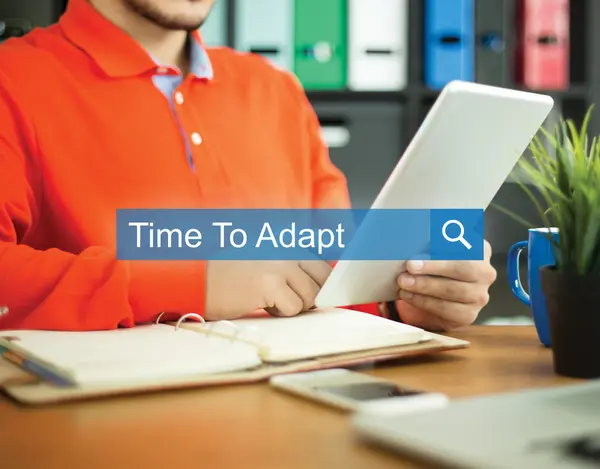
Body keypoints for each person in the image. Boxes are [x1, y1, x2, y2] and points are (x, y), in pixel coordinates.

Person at [0, 0, 497, 332]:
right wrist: (190, 282)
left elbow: (332, 276)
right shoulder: (13, 79)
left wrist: (402, 299)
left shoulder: (275, 88)